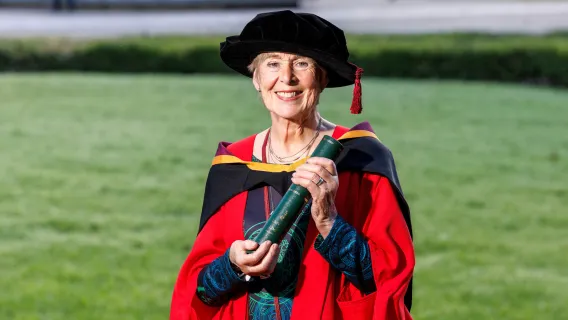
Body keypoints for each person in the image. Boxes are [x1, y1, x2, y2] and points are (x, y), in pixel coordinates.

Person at [169, 10, 414, 320]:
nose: (286, 78)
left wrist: (329, 221)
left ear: (323, 77)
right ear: (256, 78)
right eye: (272, 63)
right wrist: (231, 264)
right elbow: (200, 291)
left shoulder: (362, 160)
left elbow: (387, 283)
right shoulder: (233, 166)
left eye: (301, 63)